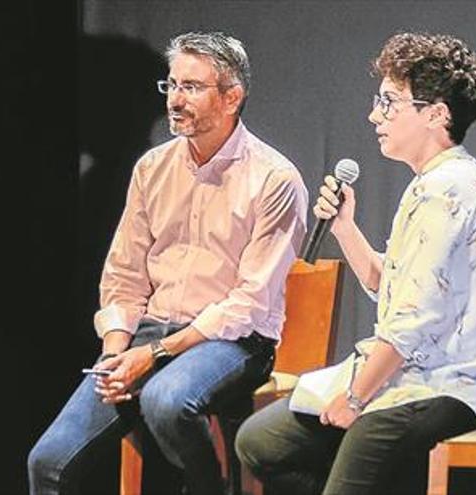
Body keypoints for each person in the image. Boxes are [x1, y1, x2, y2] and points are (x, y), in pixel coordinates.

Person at [235, 32, 476, 495]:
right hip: (412, 373)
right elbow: (386, 282)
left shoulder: (449, 190)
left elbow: (412, 322)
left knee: (363, 433)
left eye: (389, 102)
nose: (375, 115)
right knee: (261, 441)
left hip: (449, 384)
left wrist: (354, 396)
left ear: (436, 114)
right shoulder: (430, 182)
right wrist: (345, 225)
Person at [27, 31, 308, 495]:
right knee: (48, 461)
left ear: (232, 97)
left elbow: (249, 302)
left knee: (166, 398)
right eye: (172, 86)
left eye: (191, 87)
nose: (176, 100)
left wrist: (154, 355)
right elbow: (124, 273)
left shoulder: (273, 178)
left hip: (232, 341)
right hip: (149, 332)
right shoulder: (152, 168)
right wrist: (116, 351)